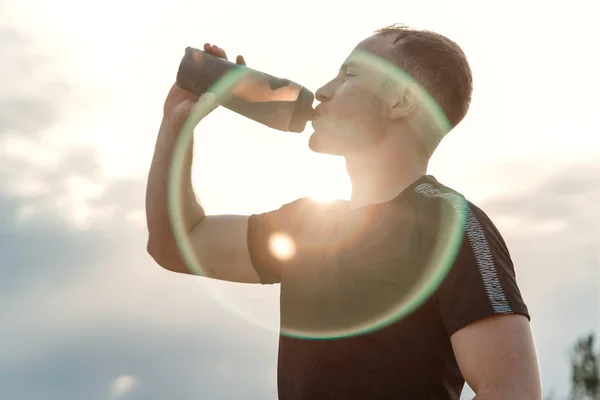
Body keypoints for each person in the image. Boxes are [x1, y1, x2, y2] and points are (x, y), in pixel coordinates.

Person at [146, 24, 542, 399]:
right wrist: (176, 124)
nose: (321, 91)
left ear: (400, 100)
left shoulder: (451, 225)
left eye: (349, 74)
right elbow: (177, 244)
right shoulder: (308, 227)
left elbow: (511, 392)